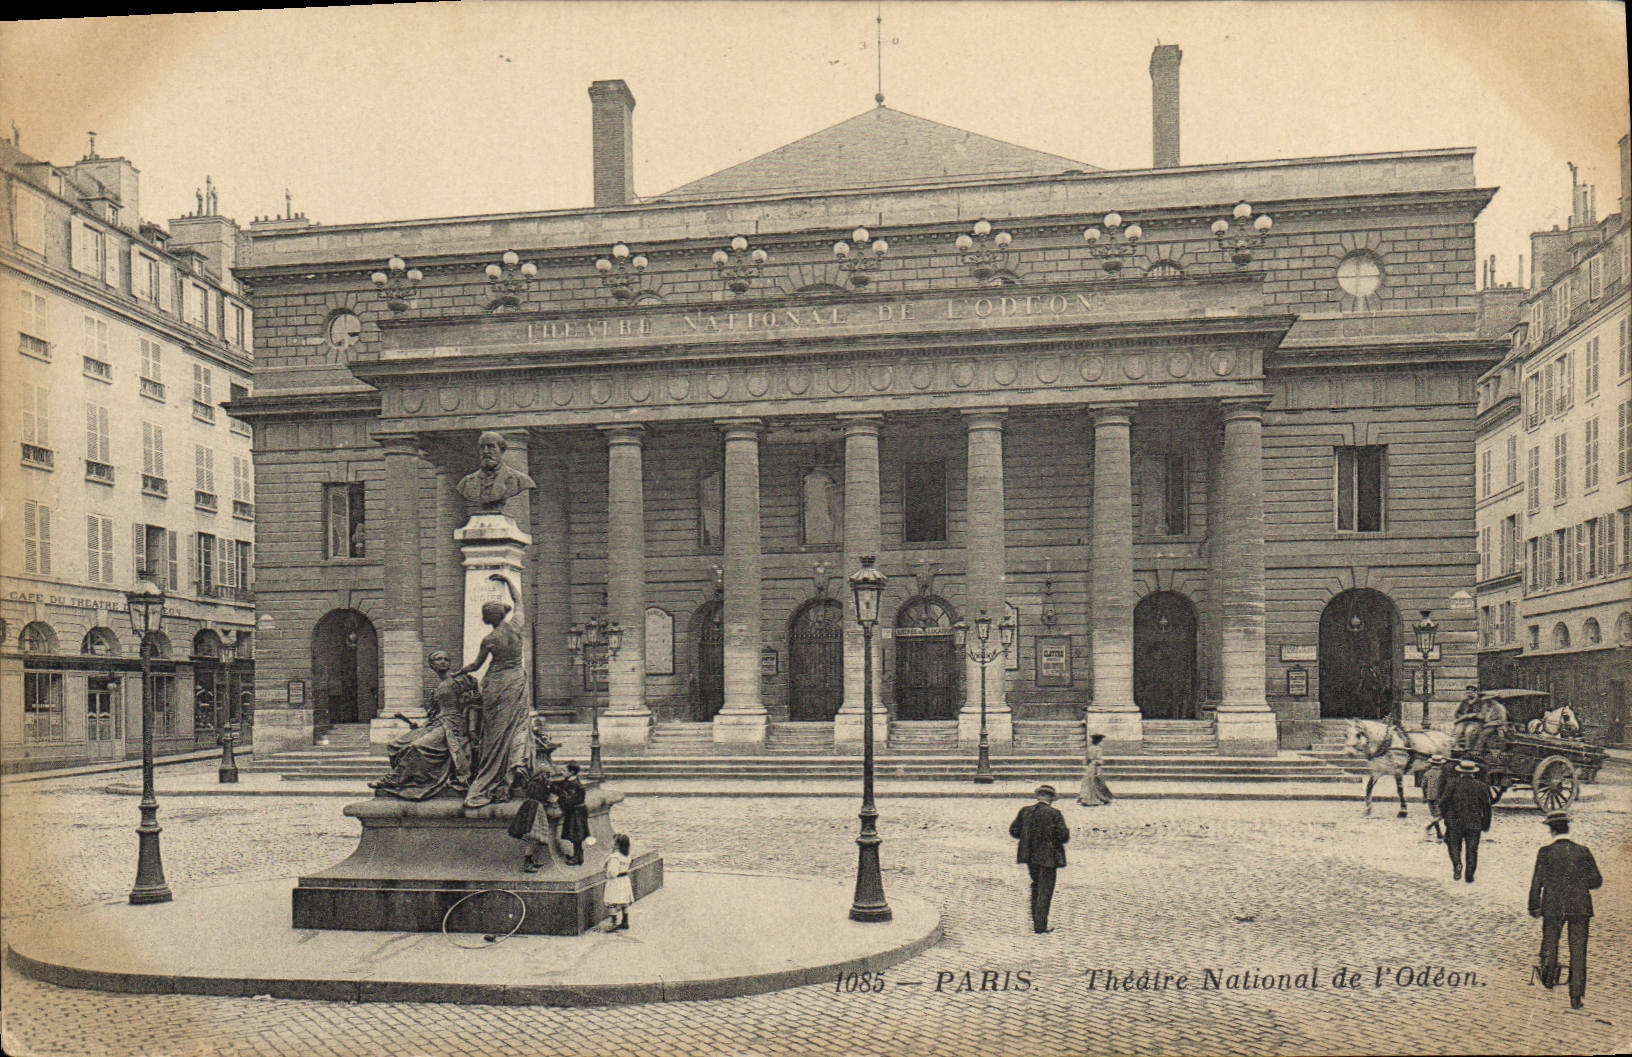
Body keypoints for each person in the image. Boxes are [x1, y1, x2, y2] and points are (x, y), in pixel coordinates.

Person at [460, 575, 535, 809]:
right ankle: (515, 767)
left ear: (487, 618)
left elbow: (475, 666)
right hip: (515, 681)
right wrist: (507, 580)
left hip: (496, 684)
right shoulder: (516, 627)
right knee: (518, 724)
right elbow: (519, 600)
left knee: (494, 732)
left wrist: (456, 673)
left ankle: (490, 776)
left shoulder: (489, 639)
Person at [369, 651, 476, 801]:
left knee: (419, 746)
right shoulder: (436, 689)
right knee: (395, 745)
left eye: (446, 659)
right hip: (435, 724)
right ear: (432, 665)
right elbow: (434, 714)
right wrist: (421, 727)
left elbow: (473, 705)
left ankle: (395, 779)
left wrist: (471, 728)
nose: (443, 661)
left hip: (452, 725)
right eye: (439, 659)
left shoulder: (460, 681)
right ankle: (413, 780)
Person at [1528, 810, 1602, 1009]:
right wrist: (1578, 883)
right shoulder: (1583, 851)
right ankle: (1577, 996)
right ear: (1568, 828)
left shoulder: (1545, 852)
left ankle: (1549, 977)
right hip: (1580, 907)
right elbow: (1596, 881)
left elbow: (1537, 882)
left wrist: (1534, 905)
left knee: (1550, 941)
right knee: (1579, 951)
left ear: (1551, 830)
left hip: (1553, 906)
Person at [1009, 784, 1070, 934]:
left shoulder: (1026, 811)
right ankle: (1040, 925)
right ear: (1050, 798)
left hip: (1030, 856)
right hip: (1048, 858)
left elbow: (1014, 830)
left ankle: (1036, 920)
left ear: (1038, 796)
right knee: (1045, 890)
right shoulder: (1054, 814)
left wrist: (1027, 838)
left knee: (1035, 886)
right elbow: (1063, 836)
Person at [1437, 757, 1492, 883]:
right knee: (1472, 850)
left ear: (1460, 772)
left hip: (1455, 822)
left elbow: (1443, 802)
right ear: (1473, 772)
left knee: (1453, 845)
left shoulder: (1452, 784)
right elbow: (1487, 807)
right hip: (1474, 823)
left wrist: (1446, 817)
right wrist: (1485, 824)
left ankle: (1457, 864)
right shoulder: (1481, 786)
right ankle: (1469, 875)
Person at [456, 431, 535, 512]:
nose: (485, 451)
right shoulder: (467, 481)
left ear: (502, 450)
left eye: (491, 447)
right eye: (482, 447)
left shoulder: (519, 479)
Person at [553, 763, 591, 865]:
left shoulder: (575, 785)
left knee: (576, 836)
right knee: (575, 835)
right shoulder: (570, 781)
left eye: (564, 771)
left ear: (571, 772)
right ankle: (577, 856)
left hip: (577, 813)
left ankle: (577, 857)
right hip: (575, 812)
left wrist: (560, 799)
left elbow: (569, 800)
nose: (562, 772)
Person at [602, 833, 634, 931]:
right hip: (625, 880)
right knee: (624, 902)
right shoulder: (627, 855)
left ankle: (613, 922)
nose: (612, 844)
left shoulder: (614, 857)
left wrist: (607, 874)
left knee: (611, 901)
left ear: (617, 845)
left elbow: (612, 872)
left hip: (615, 882)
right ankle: (625, 921)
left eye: (614, 842)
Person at [1420, 752, 1451, 842]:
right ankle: (1429, 826)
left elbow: (1423, 785)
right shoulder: (1443, 774)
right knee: (1442, 815)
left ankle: (1439, 834)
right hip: (1439, 797)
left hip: (1430, 797)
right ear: (1441, 764)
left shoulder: (1427, 773)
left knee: (1434, 815)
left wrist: (1424, 796)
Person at [1076, 733, 1112, 807]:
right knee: (1098, 783)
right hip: (1096, 767)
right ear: (1099, 741)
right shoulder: (1098, 749)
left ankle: (1085, 798)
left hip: (1089, 767)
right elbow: (1099, 760)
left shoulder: (1089, 748)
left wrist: (1089, 763)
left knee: (1088, 783)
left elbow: (1085, 760)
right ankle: (1100, 798)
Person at [1472, 693, 1508, 758]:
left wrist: (1489, 724)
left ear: (1493, 699)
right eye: (1486, 700)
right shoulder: (1486, 706)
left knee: (1484, 733)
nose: (1487, 701)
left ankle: (1477, 751)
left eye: (1489, 700)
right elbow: (1482, 716)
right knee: (1475, 730)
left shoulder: (1500, 708)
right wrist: (1477, 716)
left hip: (1496, 726)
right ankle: (1472, 748)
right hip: (1485, 724)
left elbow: (1501, 721)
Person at [1452, 686, 1482, 752]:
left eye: (1471, 693)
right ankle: (1456, 747)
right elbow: (1457, 713)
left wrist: (1475, 715)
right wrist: (1463, 716)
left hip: (1475, 722)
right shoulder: (1464, 702)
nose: (1469, 695)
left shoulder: (1480, 702)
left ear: (1475, 693)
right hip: (1464, 721)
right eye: (1468, 693)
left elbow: (1482, 713)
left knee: (1468, 731)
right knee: (1458, 730)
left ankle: (1467, 748)